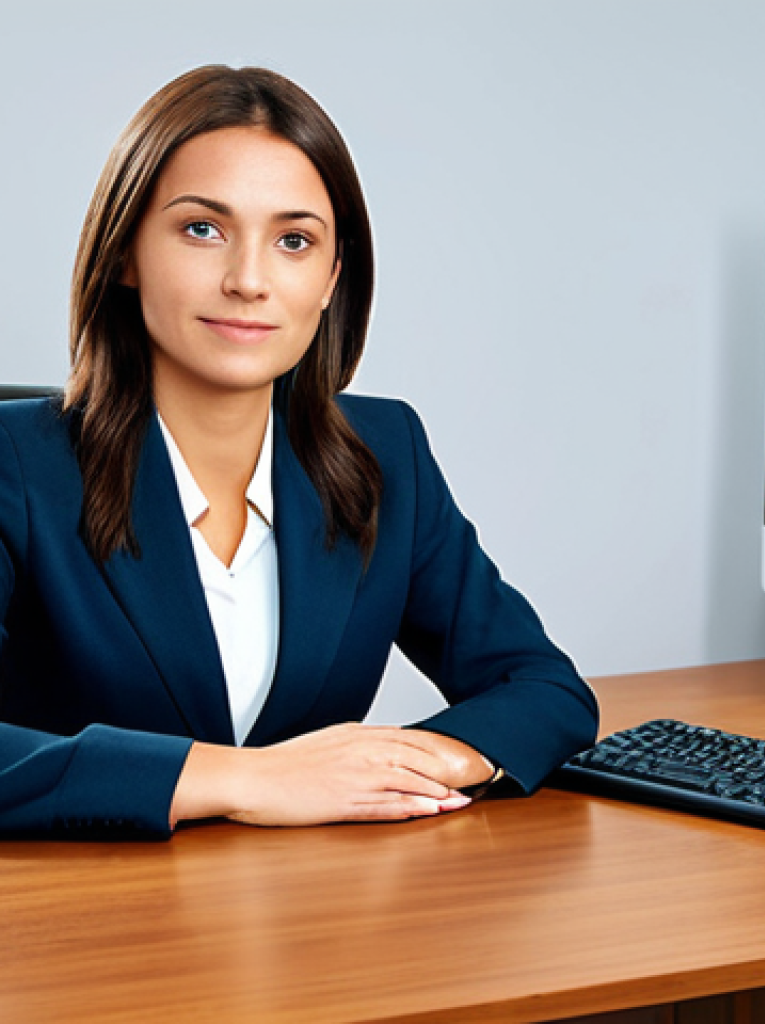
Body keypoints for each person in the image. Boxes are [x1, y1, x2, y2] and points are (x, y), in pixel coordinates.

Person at [0, 65, 598, 838]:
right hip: (88, 930)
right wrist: (244, 781)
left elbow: (543, 686)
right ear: (125, 253)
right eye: (201, 229)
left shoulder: (385, 455)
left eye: (293, 241)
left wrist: (431, 761)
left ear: (330, 277)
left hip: (309, 918)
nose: (249, 280)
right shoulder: (18, 466)